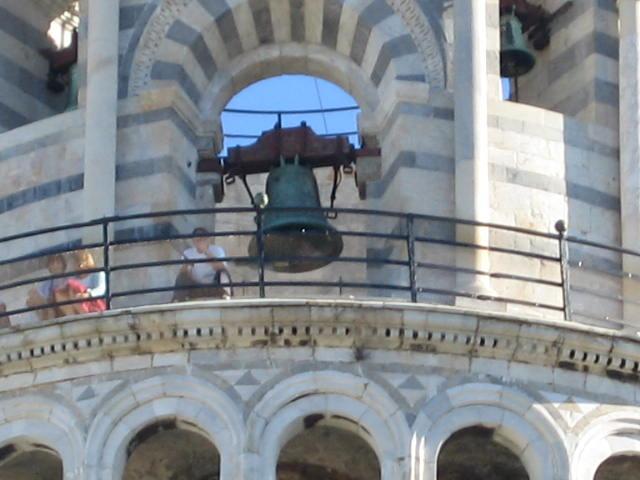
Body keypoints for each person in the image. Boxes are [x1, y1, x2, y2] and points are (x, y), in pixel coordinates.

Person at [173, 228, 232, 301]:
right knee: (181, 277)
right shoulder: (188, 253)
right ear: (193, 240)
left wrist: (206, 252)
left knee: (223, 272)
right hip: (196, 287)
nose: (200, 241)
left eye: (203, 238)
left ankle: (226, 295)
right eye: (198, 239)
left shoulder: (217, 250)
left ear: (208, 239)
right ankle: (178, 299)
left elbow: (222, 268)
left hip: (215, 286)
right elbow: (184, 274)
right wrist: (187, 265)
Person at [54, 250, 107, 316]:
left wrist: (87, 295)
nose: (80, 264)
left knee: (74, 287)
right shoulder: (74, 277)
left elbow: (101, 289)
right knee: (61, 292)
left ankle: (85, 316)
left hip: (94, 305)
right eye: (77, 260)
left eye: (83, 260)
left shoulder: (97, 273)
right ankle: (71, 316)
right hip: (76, 304)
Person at [26, 253, 68, 320]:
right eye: (52, 263)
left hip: (64, 308)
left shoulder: (69, 279)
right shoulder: (47, 283)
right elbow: (42, 297)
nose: (55, 265)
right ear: (49, 266)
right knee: (32, 296)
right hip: (50, 310)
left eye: (58, 262)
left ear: (63, 264)